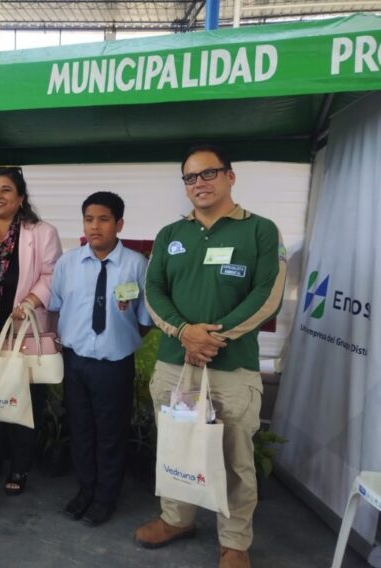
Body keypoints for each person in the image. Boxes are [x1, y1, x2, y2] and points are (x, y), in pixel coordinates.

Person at [134, 145, 286, 568]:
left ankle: (234, 542)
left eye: (208, 174)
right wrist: (184, 332)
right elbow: (154, 291)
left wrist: (211, 338)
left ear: (230, 177)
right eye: (190, 177)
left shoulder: (260, 231)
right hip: (174, 365)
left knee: (235, 459)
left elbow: (267, 295)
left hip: (230, 369)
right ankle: (176, 518)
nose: (198, 183)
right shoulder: (170, 235)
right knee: (177, 448)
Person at [49, 191, 152, 527]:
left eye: (104, 219)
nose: (95, 226)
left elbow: (146, 319)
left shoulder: (136, 265)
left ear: (119, 223)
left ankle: (106, 496)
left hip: (114, 364)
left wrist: (120, 337)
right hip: (76, 361)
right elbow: (57, 307)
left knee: (110, 432)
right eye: (89, 219)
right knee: (80, 429)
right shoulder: (67, 264)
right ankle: (85, 490)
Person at [0, 166, 62, 495]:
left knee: (23, 399)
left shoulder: (42, 232)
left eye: (6, 190)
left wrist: (31, 301)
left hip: (21, 329)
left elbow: (51, 275)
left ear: (21, 198)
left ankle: (20, 465)